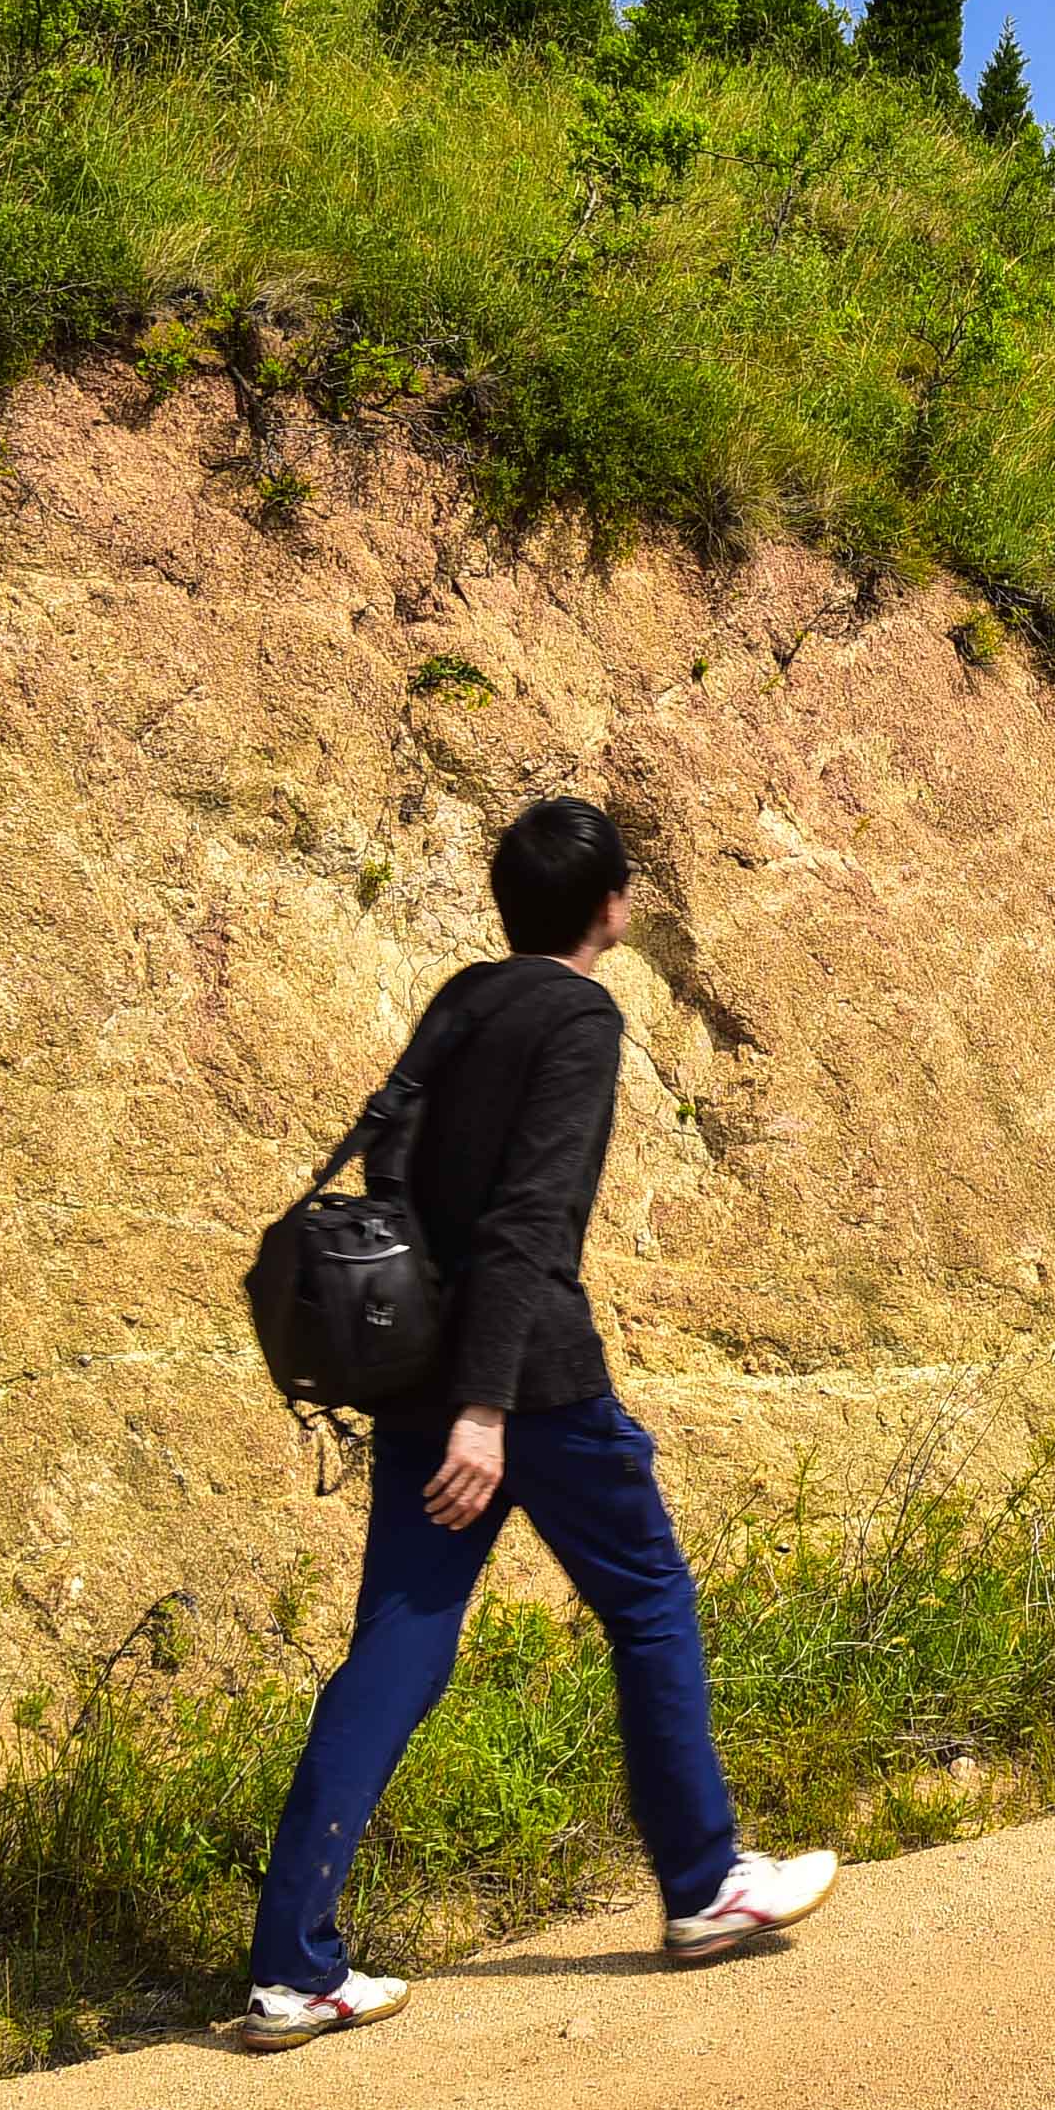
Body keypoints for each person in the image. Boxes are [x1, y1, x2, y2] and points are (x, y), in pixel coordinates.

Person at [238, 795, 835, 2046]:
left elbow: (390, 1173)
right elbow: (529, 1222)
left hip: (420, 1381)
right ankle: (708, 1884)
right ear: (611, 903)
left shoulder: (461, 995)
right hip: (530, 1391)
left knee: (397, 1650)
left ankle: (292, 1967)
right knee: (649, 1600)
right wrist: (487, 1407)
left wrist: (442, 1383)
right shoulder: (577, 1016)